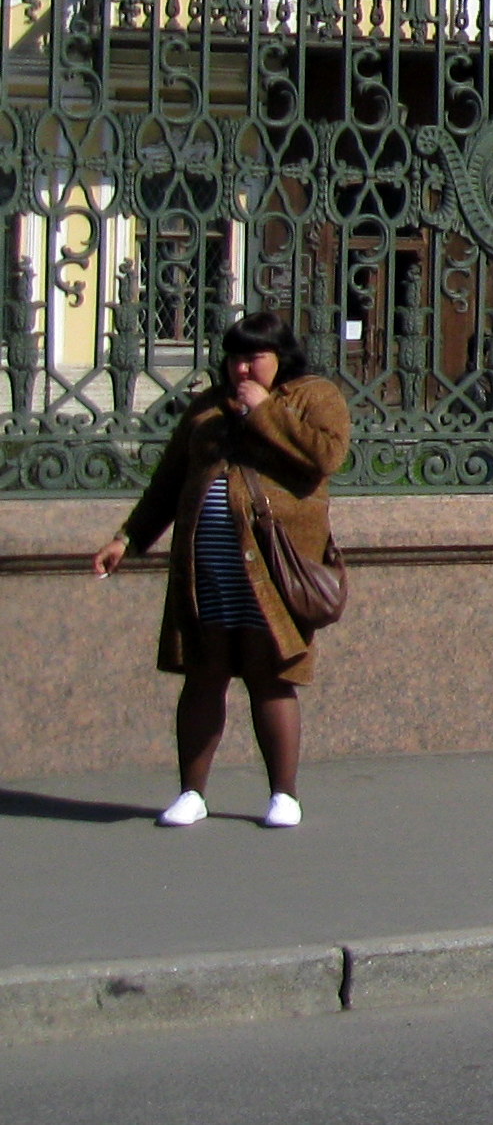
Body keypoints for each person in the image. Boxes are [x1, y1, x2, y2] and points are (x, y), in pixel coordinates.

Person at [90, 310, 352, 830]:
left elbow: (325, 456)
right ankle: (192, 793)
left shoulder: (313, 397)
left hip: (274, 571)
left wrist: (264, 413)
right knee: (203, 677)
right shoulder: (206, 408)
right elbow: (167, 483)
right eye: (235, 358)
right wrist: (128, 538)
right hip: (207, 568)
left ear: (280, 358)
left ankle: (284, 795)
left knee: (270, 676)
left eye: (254, 357)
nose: (242, 369)